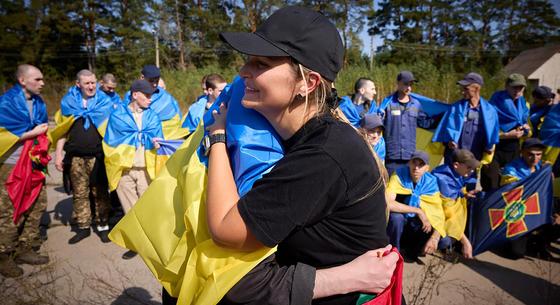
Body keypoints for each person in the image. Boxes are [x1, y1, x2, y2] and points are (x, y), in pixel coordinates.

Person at [200, 6, 398, 304]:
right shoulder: (299, 138)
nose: (244, 71)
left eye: (261, 63)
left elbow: (225, 230)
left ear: (308, 83)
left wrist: (217, 137)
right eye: (247, 60)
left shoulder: (325, 153)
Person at [103, 80, 163, 259]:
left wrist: (157, 142)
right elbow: (110, 143)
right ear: (135, 94)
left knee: (146, 207)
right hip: (124, 169)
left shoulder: (153, 116)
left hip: (146, 168)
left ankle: (152, 242)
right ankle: (137, 244)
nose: (150, 100)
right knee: (130, 209)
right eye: (147, 96)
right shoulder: (117, 115)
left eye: (152, 96)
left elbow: (159, 136)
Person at [0, 65, 49, 278]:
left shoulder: (39, 103)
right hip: (11, 165)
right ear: (22, 80)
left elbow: (42, 129)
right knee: (10, 210)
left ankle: (25, 247)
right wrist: (30, 134)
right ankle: (3, 255)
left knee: (38, 205)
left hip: (34, 162)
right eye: (37, 79)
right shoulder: (5, 104)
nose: (42, 83)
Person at [54, 69, 112, 244]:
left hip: (98, 156)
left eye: (93, 82)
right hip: (76, 158)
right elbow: (61, 132)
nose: (91, 86)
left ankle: (103, 226)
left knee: (100, 192)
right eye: (87, 83)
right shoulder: (68, 104)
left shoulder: (105, 103)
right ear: (78, 84)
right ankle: (83, 227)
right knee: (80, 193)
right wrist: (58, 156)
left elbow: (113, 131)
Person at [385, 151, 446, 259]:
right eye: (414, 163)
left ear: (427, 168)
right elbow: (388, 203)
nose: (416, 168)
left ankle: (412, 251)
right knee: (396, 218)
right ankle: (394, 252)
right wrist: (418, 211)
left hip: (414, 224)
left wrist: (434, 238)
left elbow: (438, 214)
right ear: (409, 163)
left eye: (421, 165)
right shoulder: (399, 174)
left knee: (429, 225)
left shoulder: (431, 182)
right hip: (400, 222)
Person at [378, 71, 433, 175]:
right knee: (391, 187)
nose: (409, 88)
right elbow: (378, 124)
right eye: (406, 84)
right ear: (398, 83)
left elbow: (425, 123)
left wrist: (444, 117)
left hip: (410, 155)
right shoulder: (387, 103)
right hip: (391, 155)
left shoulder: (416, 104)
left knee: (406, 188)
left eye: (411, 84)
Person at [500, 138, 546, 258]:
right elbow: (512, 189)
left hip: (534, 209)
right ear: (522, 152)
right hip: (516, 212)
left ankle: (537, 242)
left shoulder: (541, 168)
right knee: (516, 253)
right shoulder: (511, 169)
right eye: (530, 154)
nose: (535, 158)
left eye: (538, 155)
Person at [430, 149, 481, 259]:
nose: (472, 171)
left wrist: (464, 194)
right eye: (469, 167)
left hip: (444, 214)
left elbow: (456, 191)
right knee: (447, 239)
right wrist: (465, 242)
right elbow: (448, 214)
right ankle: (440, 246)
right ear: (456, 165)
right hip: (432, 219)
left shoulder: (455, 174)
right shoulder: (443, 179)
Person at [483, 73, 530, 190]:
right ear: (506, 86)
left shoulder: (523, 103)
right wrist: (506, 135)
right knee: (491, 184)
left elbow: (527, 125)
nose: (517, 90)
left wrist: (525, 129)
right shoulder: (495, 102)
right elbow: (486, 128)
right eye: (514, 87)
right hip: (494, 149)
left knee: (511, 184)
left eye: (521, 88)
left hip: (513, 149)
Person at [124, 65, 186, 140]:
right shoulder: (130, 95)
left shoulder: (165, 96)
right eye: (151, 81)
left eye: (156, 81)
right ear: (142, 78)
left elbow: (177, 114)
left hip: (168, 139)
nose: (154, 84)